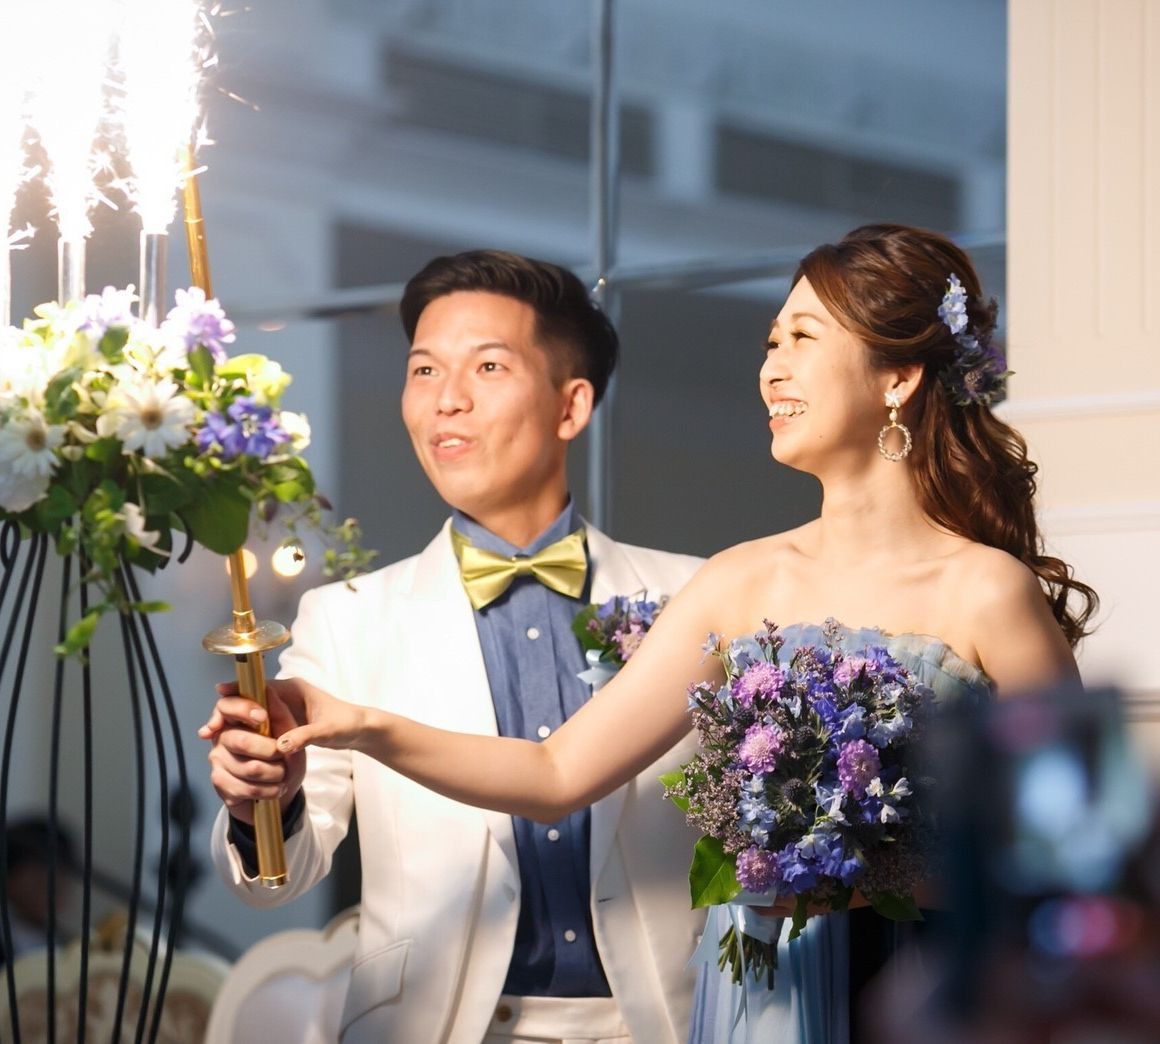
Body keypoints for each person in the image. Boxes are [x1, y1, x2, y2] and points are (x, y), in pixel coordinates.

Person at [210, 224, 1098, 1042]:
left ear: (897, 378)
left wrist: (878, 870)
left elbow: (1082, 856)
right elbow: (555, 775)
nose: (771, 370)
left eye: (801, 338)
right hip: (766, 1002)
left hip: (929, 998)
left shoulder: (989, 592)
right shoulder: (737, 583)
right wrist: (358, 723)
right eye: (770, 343)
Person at [201, 250, 706, 1044]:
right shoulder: (348, 619)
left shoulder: (695, 598)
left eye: (489, 366)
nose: (447, 401)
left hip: (665, 1024)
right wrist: (263, 801)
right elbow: (275, 881)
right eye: (425, 370)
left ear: (571, 405)